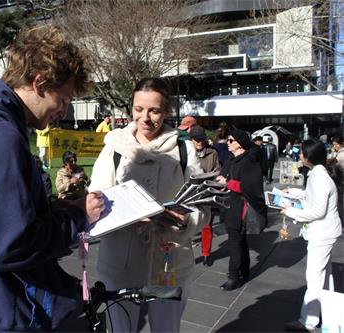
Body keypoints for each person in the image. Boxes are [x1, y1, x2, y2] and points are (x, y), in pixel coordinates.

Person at [0, 25, 104, 332]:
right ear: (40, 82)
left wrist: (58, 209)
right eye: (65, 100)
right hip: (11, 312)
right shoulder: (1, 139)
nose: (63, 112)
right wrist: (78, 217)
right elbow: (7, 245)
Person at [89, 77, 207, 332]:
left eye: (154, 110)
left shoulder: (183, 149)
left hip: (170, 263)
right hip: (120, 262)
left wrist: (184, 219)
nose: (145, 118)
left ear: (166, 111)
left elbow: (201, 206)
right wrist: (132, 215)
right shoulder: (115, 147)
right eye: (138, 109)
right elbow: (95, 201)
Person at [282, 140, 343, 332]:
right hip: (326, 232)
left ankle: (307, 321)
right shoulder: (318, 174)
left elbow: (317, 210)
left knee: (315, 277)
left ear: (308, 156)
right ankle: (327, 312)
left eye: (301, 152)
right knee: (324, 274)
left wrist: (290, 211)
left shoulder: (318, 178)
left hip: (322, 233)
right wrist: (293, 193)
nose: (299, 155)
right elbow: (313, 197)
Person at [216, 129, 266, 291]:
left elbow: (251, 188)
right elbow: (224, 177)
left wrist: (228, 183)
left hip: (241, 208)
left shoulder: (248, 161)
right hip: (231, 205)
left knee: (235, 242)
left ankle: (233, 276)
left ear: (240, 144)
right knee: (240, 240)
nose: (228, 143)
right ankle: (244, 271)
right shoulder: (232, 159)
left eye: (231, 141)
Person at [189, 125, 221, 267]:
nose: (199, 142)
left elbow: (217, 170)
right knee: (188, 225)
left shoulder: (212, 153)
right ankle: (187, 256)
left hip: (206, 192)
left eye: (201, 139)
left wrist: (211, 181)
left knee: (206, 225)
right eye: (196, 140)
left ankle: (206, 253)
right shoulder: (187, 152)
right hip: (189, 194)